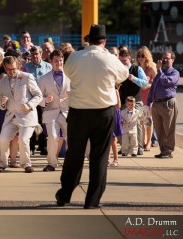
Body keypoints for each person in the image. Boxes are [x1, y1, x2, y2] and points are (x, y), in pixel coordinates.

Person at [55, 24, 129, 209]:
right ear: (104, 41)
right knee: (99, 157)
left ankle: (64, 195)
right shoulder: (110, 59)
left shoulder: (75, 57)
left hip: (79, 112)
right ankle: (92, 200)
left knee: (74, 155)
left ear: (87, 39)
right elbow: (124, 74)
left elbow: (67, 71)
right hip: (103, 111)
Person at [0, 56, 42, 173]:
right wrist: (2, 102)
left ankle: (26, 164)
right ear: (4, 68)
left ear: (18, 66)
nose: (11, 72)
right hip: (11, 116)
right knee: (2, 139)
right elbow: (2, 106)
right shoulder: (2, 82)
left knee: (23, 139)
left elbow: (38, 95)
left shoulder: (27, 77)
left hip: (27, 115)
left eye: (14, 69)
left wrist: (30, 104)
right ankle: (1, 163)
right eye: (9, 69)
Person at [38, 49, 70, 172]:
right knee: (52, 137)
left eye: (61, 61)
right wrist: (45, 100)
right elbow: (38, 97)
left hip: (67, 111)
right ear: (51, 61)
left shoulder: (71, 76)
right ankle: (51, 163)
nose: (58, 63)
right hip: (51, 112)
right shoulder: (43, 79)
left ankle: (70, 164)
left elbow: (78, 94)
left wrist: (72, 95)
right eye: (56, 61)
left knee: (71, 138)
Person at [147, 50, 179, 159]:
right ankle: (163, 150)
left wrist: (159, 70)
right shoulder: (159, 73)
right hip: (156, 104)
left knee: (169, 129)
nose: (164, 60)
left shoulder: (174, 73)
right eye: (163, 57)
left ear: (172, 60)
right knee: (159, 130)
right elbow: (153, 89)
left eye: (167, 58)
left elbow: (166, 82)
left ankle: (168, 151)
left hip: (168, 104)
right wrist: (148, 104)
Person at [118, 49, 148, 155]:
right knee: (121, 124)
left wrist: (134, 78)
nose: (122, 63)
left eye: (124, 61)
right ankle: (124, 147)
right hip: (122, 102)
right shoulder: (118, 70)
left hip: (136, 101)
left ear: (130, 59)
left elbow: (145, 83)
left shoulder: (137, 69)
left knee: (138, 124)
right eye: (120, 61)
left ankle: (139, 147)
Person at [25, 46, 52, 155]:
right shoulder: (25, 67)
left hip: (44, 99)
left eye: (37, 54)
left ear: (41, 54)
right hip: (30, 99)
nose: (35, 56)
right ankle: (31, 147)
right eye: (33, 54)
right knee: (31, 122)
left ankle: (43, 146)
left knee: (43, 122)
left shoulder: (48, 66)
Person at [136, 46, 157, 151]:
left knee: (148, 121)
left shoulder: (151, 68)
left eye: (143, 56)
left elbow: (157, 83)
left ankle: (149, 142)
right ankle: (143, 141)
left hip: (148, 98)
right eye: (139, 56)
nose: (140, 58)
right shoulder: (136, 68)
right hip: (139, 98)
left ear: (147, 57)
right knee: (141, 121)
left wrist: (147, 85)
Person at [108, 83, 122, 167]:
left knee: (113, 138)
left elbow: (118, 105)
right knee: (107, 138)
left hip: (114, 114)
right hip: (108, 114)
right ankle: (107, 159)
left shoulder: (115, 91)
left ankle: (116, 159)